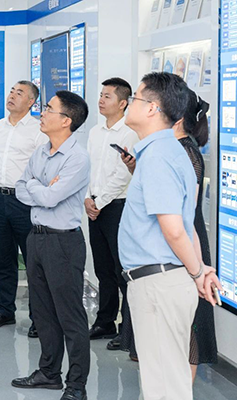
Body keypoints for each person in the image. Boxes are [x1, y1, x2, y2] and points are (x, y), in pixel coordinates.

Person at [118, 72, 219, 400]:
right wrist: (200, 269)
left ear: (152, 108)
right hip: (165, 281)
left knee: (165, 389)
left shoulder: (159, 155)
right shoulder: (169, 151)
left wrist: (197, 272)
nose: (128, 103)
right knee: (168, 383)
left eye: (135, 97)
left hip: (159, 284)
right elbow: (188, 226)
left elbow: (175, 229)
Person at [13, 90, 90, 400]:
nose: (42, 113)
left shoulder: (77, 158)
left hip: (63, 243)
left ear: (66, 120)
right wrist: (39, 186)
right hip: (36, 238)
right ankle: (48, 373)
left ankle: (77, 386)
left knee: (70, 316)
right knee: (43, 312)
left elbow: (50, 197)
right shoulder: (41, 151)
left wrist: (38, 188)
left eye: (48, 109)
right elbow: (21, 189)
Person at [0, 81, 48, 336]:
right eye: (11, 91)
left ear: (31, 102)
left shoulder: (38, 130)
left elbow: (44, 168)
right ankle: (4, 310)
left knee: (33, 261)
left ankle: (38, 317)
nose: (12, 96)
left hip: (25, 201)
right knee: (4, 258)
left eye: (20, 93)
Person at [84, 78, 138, 342]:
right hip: (95, 206)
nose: (101, 100)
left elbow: (123, 175)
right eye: (101, 95)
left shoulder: (130, 133)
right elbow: (88, 169)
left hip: (117, 207)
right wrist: (87, 198)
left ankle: (127, 328)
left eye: (107, 96)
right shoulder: (95, 132)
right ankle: (105, 322)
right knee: (102, 269)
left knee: (121, 270)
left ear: (123, 103)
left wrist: (99, 201)